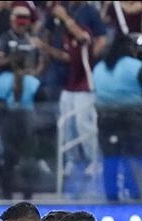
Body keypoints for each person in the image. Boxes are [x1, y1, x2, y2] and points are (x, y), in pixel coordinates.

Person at [40, 2, 107, 174]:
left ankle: (95, 160)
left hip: (86, 84)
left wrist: (64, 17)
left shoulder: (85, 35)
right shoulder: (68, 40)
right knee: (66, 122)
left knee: (83, 122)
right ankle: (71, 159)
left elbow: (86, 38)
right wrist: (44, 48)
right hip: (70, 82)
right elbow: (66, 56)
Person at [93, 33, 142, 201]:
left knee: (110, 159)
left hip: (106, 119)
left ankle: (111, 197)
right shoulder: (134, 65)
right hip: (131, 119)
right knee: (134, 158)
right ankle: (135, 193)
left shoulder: (99, 67)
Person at [0, 52, 40, 200]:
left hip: (8, 121)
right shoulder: (32, 81)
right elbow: (41, 99)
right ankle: (28, 194)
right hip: (27, 122)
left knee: (8, 159)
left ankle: (7, 194)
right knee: (28, 158)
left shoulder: (0, 80)